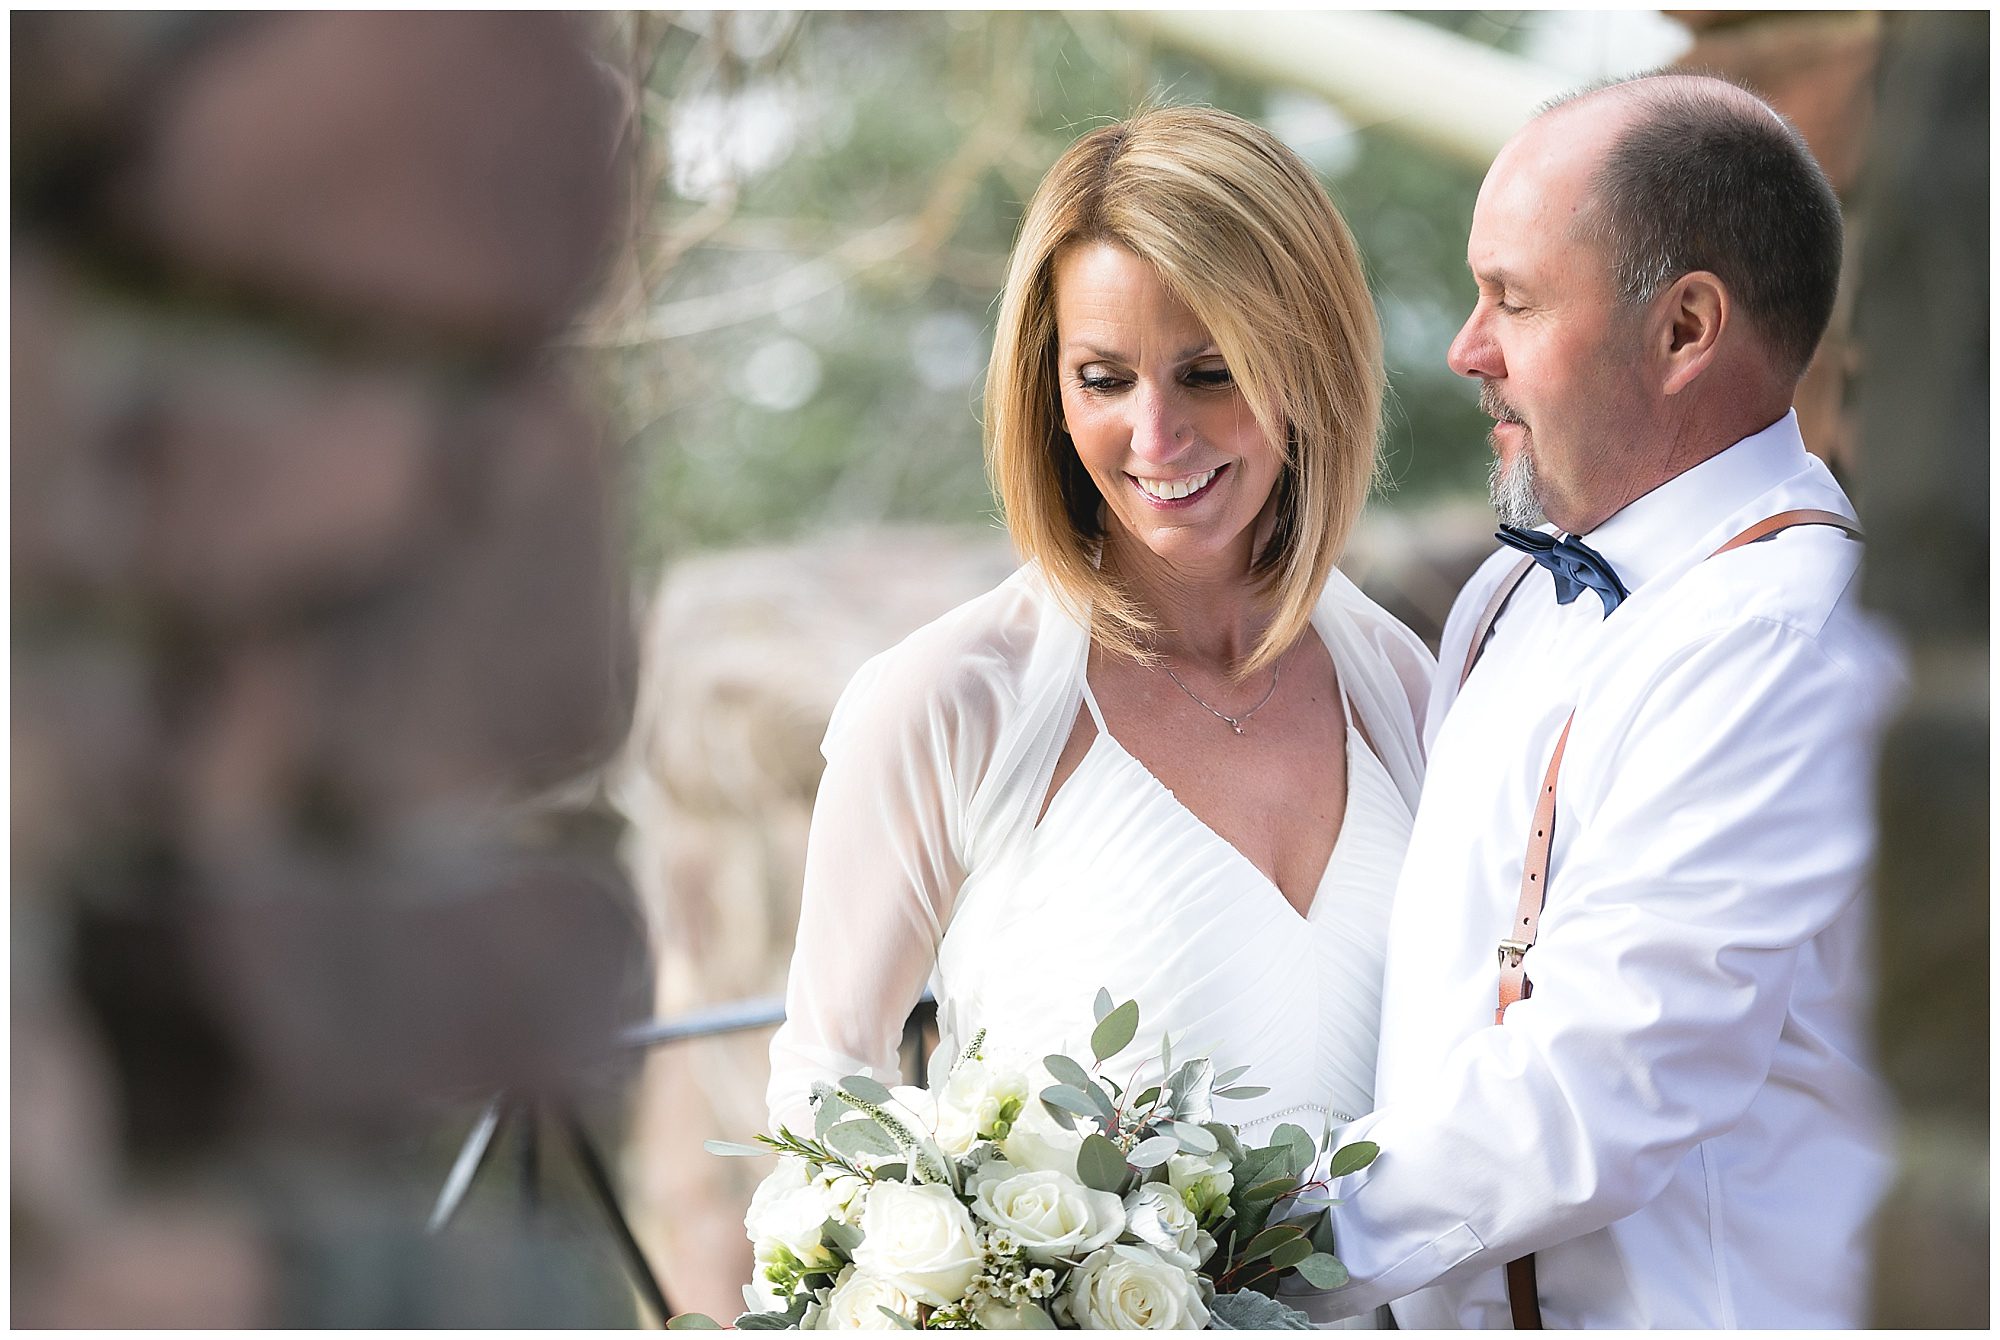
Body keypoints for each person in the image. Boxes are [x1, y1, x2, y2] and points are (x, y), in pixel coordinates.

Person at [764, 105, 1430, 1326]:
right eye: (1103, 378)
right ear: (1047, 388)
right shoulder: (953, 698)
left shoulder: (1401, 686)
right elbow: (825, 1095)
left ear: (1309, 360)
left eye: (1209, 371)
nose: (1155, 434)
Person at [1303, 75, 1903, 1329]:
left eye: (1512, 299)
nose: (1465, 348)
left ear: (1683, 328)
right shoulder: (1503, 598)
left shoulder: (1788, 635)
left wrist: (1243, 1243)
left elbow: (1603, 1075)